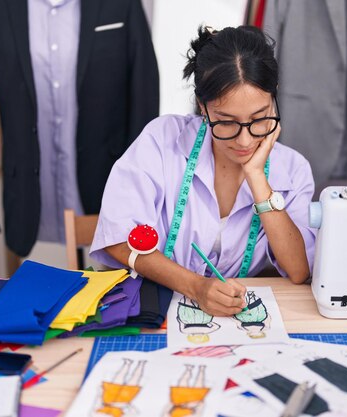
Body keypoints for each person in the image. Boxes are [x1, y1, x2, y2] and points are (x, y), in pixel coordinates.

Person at [90, 25, 316, 317]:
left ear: (274, 98)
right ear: (202, 107)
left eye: (259, 118)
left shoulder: (293, 169)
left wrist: (258, 179)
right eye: (226, 121)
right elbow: (119, 240)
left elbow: (298, 270)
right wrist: (196, 287)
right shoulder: (162, 140)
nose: (244, 140)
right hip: (153, 312)